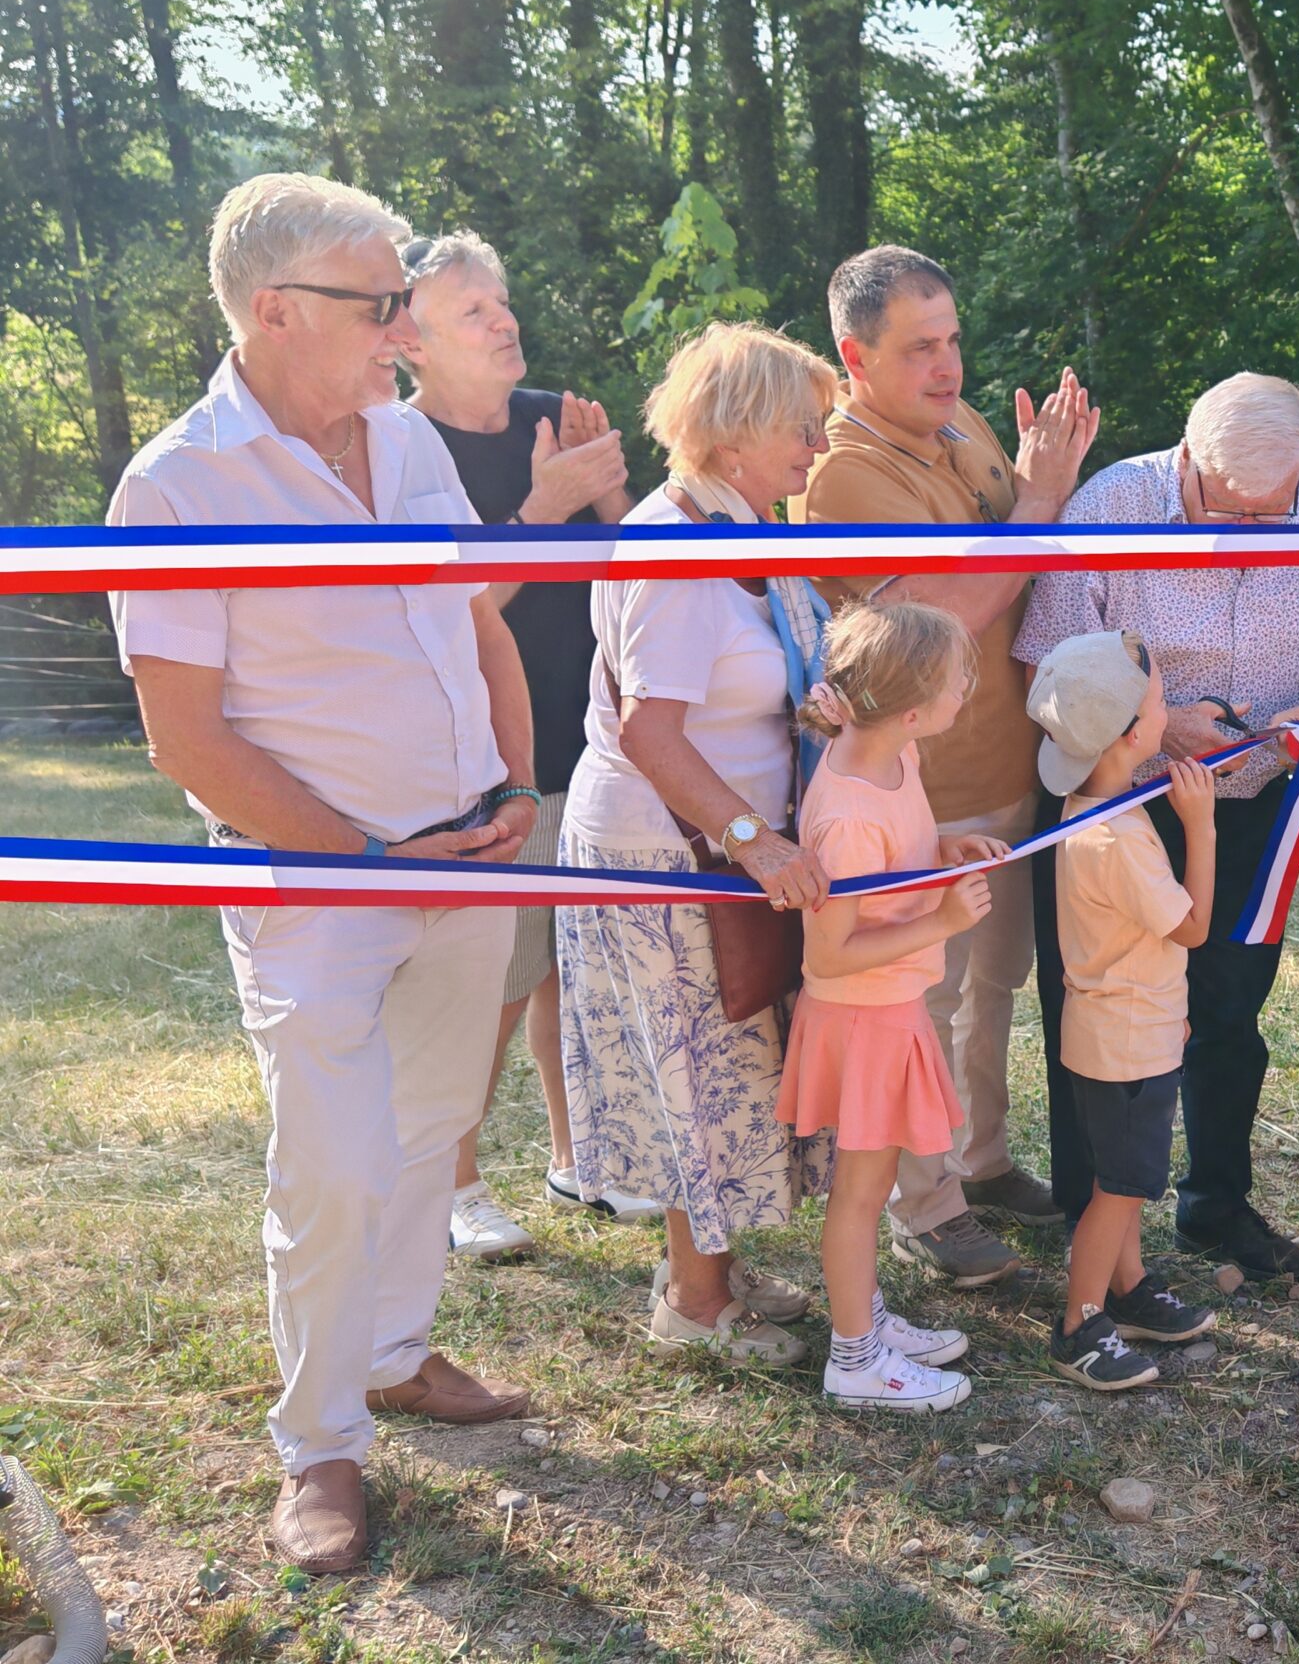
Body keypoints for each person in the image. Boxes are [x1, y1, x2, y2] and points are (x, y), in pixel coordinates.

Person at [111, 173, 542, 1573]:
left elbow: (470, 620)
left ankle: (400, 1356)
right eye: (383, 303)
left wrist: (512, 784)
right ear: (279, 311)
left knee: (429, 1133)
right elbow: (187, 738)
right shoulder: (176, 485)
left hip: (471, 856)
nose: (406, 329)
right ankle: (320, 1449)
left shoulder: (410, 441)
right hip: (315, 890)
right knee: (335, 1171)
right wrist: (364, 852)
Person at [1016, 373, 1299, 1278]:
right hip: (1122, 797)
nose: (1256, 531)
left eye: (1276, 513)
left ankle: (1215, 1206)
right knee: (1094, 1006)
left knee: (1230, 1006)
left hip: (1259, 796)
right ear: (1189, 460)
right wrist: (1163, 724)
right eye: (1233, 510)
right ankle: (1091, 1220)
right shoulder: (1112, 505)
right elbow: (1046, 671)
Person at [793, 246, 1099, 1292]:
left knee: (993, 984)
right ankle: (926, 1209)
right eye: (919, 348)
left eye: (953, 339)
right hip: (914, 790)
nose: (947, 366)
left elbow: (1014, 553)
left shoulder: (960, 426)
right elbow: (939, 618)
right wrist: (1042, 497)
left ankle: (979, 1159)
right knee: (917, 999)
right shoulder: (843, 472)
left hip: (1006, 757)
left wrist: (1031, 485)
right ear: (853, 356)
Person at [555, 323, 836, 1364]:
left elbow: (755, 679)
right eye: (800, 428)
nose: (816, 446)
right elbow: (651, 729)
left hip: (715, 844)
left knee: (729, 1066)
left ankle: (711, 1268)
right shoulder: (677, 549)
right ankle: (692, 1301)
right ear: (734, 437)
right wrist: (757, 841)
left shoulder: (751, 530)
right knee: (694, 1069)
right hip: (666, 853)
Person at [397, 229, 649, 1260]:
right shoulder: (403, 451)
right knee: (493, 977)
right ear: (409, 343)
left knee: (572, 967)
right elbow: (457, 613)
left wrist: (600, 493)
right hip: (485, 758)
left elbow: (643, 562)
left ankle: (576, 1153)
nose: (504, 321)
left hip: (592, 737)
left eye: (501, 300)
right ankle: (452, 1182)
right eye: (472, 311)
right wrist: (543, 509)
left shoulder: (556, 418)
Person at [778, 603, 1001, 1413]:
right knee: (862, 1196)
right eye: (955, 683)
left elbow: (893, 865)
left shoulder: (892, 756)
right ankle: (855, 1361)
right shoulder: (845, 814)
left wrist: (939, 853)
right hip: (862, 1016)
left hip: (891, 1004)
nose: (965, 693)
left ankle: (864, 1316)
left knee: (871, 1191)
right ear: (911, 710)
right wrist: (942, 919)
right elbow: (827, 952)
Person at [1034, 631, 1221, 1387]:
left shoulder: (1094, 805)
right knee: (1120, 1187)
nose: (1165, 712)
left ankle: (1129, 1284)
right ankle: (1080, 1323)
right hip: (1126, 1040)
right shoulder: (1119, 839)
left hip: (1121, 1026)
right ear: (1133, 734)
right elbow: (1194, 927)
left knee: (1129, 1174)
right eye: (1159, 704)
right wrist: (1201, 828)